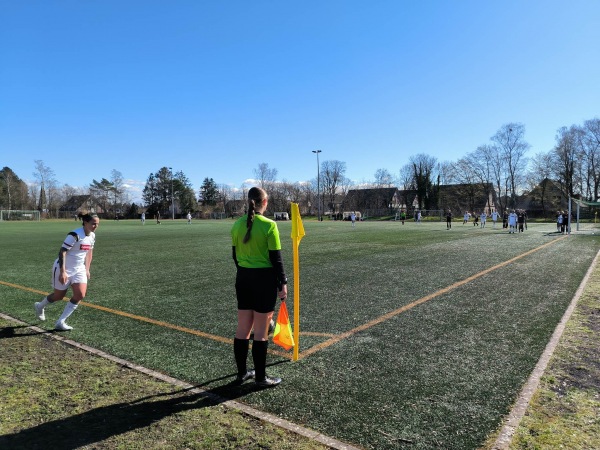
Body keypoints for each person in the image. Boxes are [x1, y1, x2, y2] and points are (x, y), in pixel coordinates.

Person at [231, 187, 287, 387]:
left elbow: (235, 257)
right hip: (264, 281)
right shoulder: (269, 225)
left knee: (243, 328)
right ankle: (261, 378)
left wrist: (246, 272)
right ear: (265, 202)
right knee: (261, 331)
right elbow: (276, 259)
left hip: (243, 278)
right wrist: (283, 282)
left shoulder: (237, 225)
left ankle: (242, 374)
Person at [34, 214, 100, 331]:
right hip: (64, 267)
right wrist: (62, 271)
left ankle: (61, 321)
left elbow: (89, 253)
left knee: (80, 295)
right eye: (93, 223)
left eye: (97, 224)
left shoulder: (92, 236)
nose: (96, 226)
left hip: (79, 269)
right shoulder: (74, 235)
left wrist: (87, 269)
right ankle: (40, 306)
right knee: (59, 296)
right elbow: (62, 252)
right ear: (85, 222)